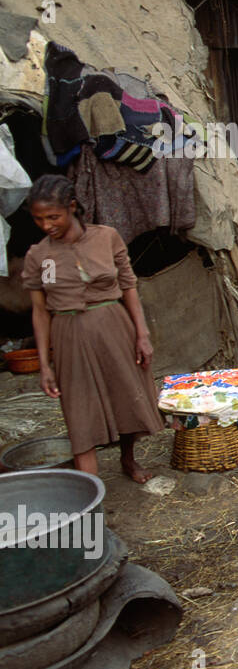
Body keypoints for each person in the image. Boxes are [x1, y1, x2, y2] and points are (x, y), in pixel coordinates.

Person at [21, 175, 164, 482]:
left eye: (53, 217)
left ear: (72, 207)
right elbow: (40, 311)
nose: (47, 225)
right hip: (67, 334)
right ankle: (91, 492)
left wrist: (142, 334)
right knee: (79, 410)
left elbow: (128, 286)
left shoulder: (106, 237)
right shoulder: (37, 255)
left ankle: (128, 459)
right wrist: (45, 365)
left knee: (125, 396)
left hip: (113, 326)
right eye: (38, 219)